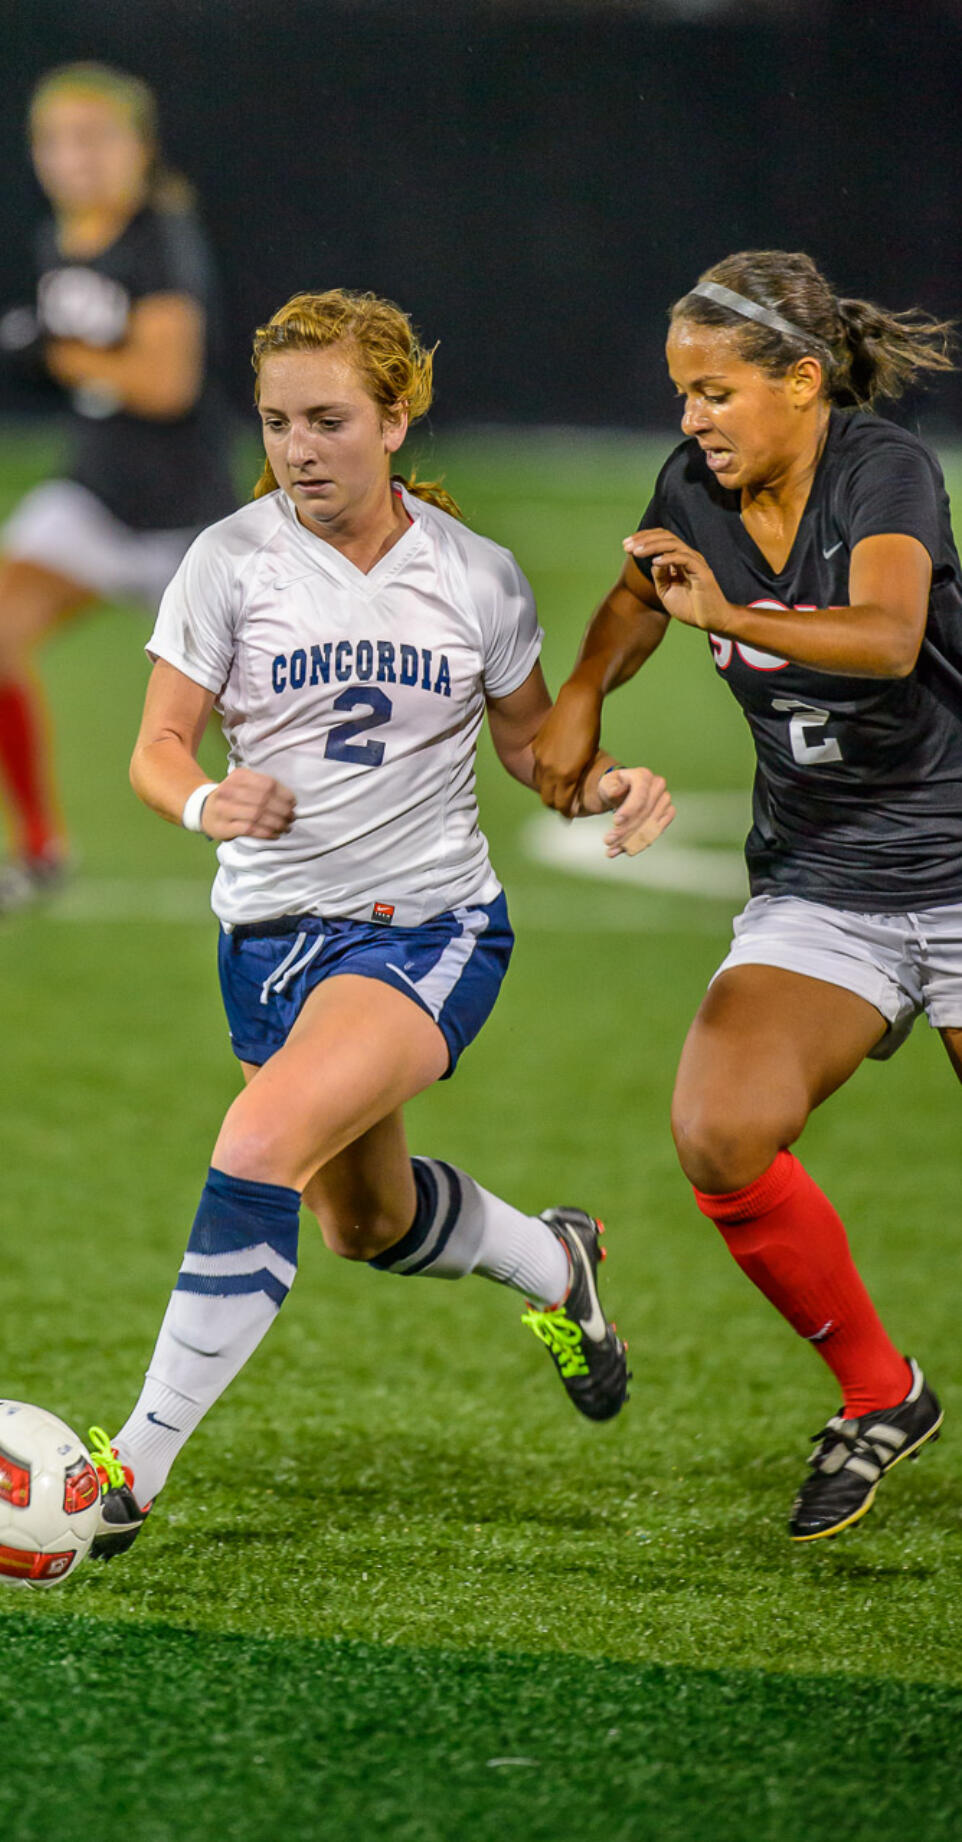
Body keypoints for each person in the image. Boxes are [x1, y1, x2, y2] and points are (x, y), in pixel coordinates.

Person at [84, 288, 674, 1559]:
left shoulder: (474, 577)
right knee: (367, 1222)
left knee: (256, 1146)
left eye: (330, 419)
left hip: (426, 927)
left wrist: (603, 780)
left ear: (396, 418)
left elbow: (531, 752)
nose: (300, 448)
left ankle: (129, 1470)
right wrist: (200, 800)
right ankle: (553, 1263)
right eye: (278, 422)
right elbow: (153, 747)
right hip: (267, 944)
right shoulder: (227, 561)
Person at [534, 249, 960, 1543]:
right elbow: (637, 591)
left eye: (714, 392)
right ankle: (878, 1393)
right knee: (717, 1129)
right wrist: (582, 691)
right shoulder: (693, 489)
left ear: (801, 381)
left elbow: (886, 637)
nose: (689, 420)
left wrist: (733, 606)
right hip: (823, 879)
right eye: (679, 393)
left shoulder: (878, 470)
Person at [0, 62, 237, 916]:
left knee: (254, 717)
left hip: (183, 524)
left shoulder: (158, 239)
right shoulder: (63, 235)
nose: (72, 158)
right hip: (97, 497)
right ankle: (38, 851)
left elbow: (166, 384)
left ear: (139, 149)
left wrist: (49, 352)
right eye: (54, 140)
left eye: (93, 138)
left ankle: (334, 861)